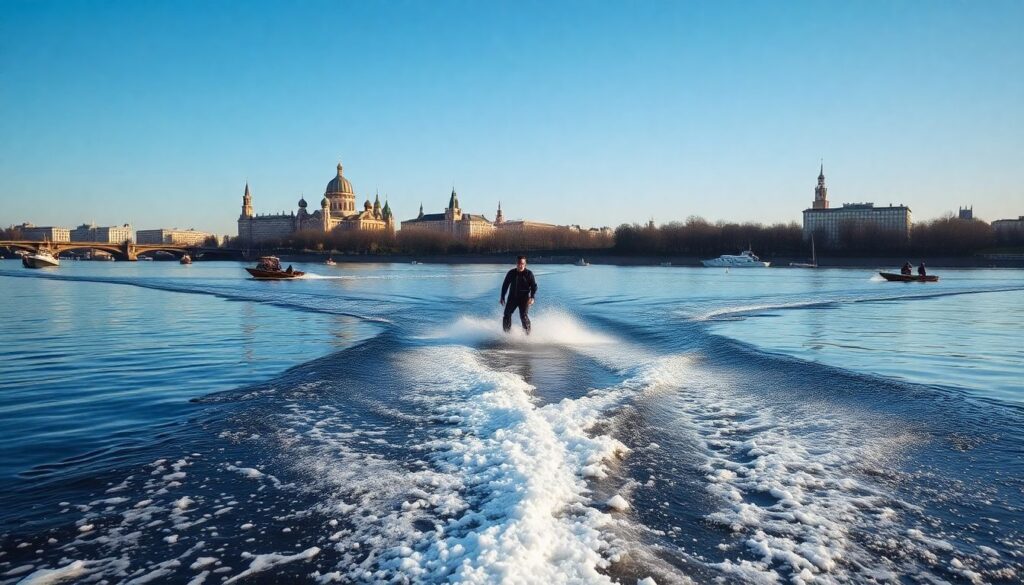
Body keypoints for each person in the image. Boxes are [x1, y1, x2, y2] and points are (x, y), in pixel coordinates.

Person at [500, 255, 538, 334]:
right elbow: (505, 285)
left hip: (524, 299)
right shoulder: (511, 273)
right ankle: (506, 334)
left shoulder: (529, 274)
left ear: (525, 264)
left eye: (522, 263)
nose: (520, 265)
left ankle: (528, 335)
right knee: (507, 314)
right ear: (516, 263)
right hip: (512, 297)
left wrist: (532, 297)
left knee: (523, 316)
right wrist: (502, 296)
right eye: (519, 263)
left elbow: (534, 286)